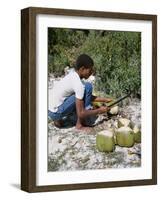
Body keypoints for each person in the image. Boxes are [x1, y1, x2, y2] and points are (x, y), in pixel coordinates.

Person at [48, 54, 112, 131]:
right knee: (88, 87)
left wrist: (104, 100)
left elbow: (86, 96)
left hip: (50, 110)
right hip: (56, 113)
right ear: (82, 69)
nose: (91, 72)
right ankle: (79, 125)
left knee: (87, 87)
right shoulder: (79, 85)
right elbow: (81, 113)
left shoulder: (72, 75)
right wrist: (99, 111)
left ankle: (58, 120)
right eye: (90, 70)